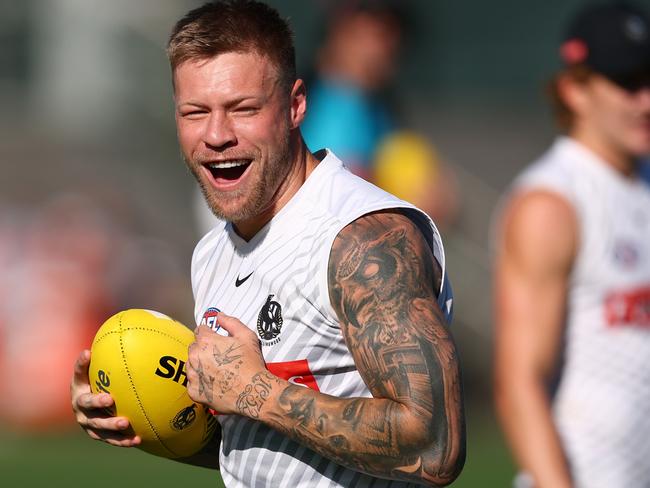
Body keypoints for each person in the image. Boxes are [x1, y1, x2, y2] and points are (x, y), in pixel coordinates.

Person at [71, 2, 465, 487]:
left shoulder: (364, 240)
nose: (216, 135)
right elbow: (259, 446)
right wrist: (138, 413)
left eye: (243, 109)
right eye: (196, 112)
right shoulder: (212, 252)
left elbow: (435, 446)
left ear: (296, 105)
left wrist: (257, 392)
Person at [493, 3, 650, 488]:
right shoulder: (552, 204)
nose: (647, 100)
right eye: (628, 83)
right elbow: (519, 382)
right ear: (574, 90)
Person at [301, 1, 403, 179]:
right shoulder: (313, 103)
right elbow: (332, 182)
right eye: (375, 34)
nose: (382, 50)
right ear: (339, 31)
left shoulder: (378, 105)